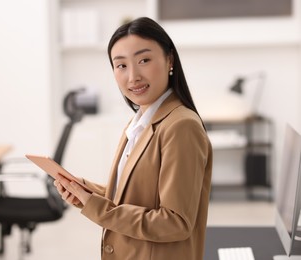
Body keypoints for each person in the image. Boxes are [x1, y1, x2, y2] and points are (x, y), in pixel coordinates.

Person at [54, 17, 212, 260]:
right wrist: (84, 191)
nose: (133, 77)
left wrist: (98, 208)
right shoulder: (139, 122)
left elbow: (175, 222)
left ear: (169, 60)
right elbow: (133, 196)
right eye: (121, 66)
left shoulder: (181, 126)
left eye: (144, 60)